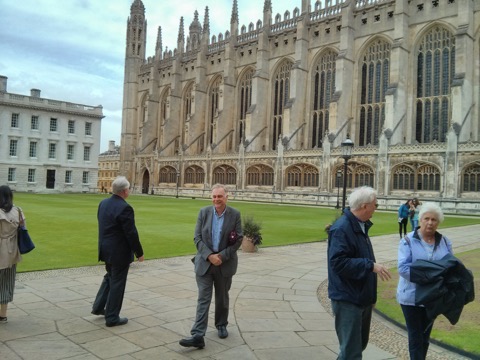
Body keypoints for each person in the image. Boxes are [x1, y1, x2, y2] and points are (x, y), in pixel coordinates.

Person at [327, 186, 391, 360]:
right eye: (375, 205)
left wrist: (371, 298)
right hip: (348, 298)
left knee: (357, 347)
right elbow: (338, 263)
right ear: (364, 206)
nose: (376, 208)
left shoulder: (360, 226)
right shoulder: (342, 228)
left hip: (361, 296)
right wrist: (370, 266)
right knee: (352, 352)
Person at [179, 184, 243, 349]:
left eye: (219, 196)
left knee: (222, 297)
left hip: (224, 262)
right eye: (214, 197)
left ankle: (221, 324)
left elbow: (238, 239)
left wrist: (221, 256)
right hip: (205, 263)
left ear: (227, 197)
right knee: (203, 299)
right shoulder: (204, 212)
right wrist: (209, 255)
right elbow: (197, 238)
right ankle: (198, 335)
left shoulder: (235, 214)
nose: (216, 200)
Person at [397, 202, 453, 360]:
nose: (430, 222)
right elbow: (403, 268)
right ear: (420, 220)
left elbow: (450, 266)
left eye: (434, 219)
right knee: (416, 337)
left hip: (432, 298)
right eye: (426, 218)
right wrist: (429, 278)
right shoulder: (407, 241)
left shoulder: (445, 242)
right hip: (411, 297)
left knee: (425, 336)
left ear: (438, 222)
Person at [92, 176, 144, 327]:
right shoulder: (125, 207)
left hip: (105, 249)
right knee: (117, 283)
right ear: (125, 191)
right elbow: (131, 233)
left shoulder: (103, 203)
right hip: (119, 252)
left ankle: (98, 307)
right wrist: (139, 252)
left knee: (110, 276)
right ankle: (112, 317)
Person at [0, 185, 24, 324]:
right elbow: (23, 228)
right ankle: (3, 315)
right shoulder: (18, 210)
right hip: (12, 251)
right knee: (7, 283)